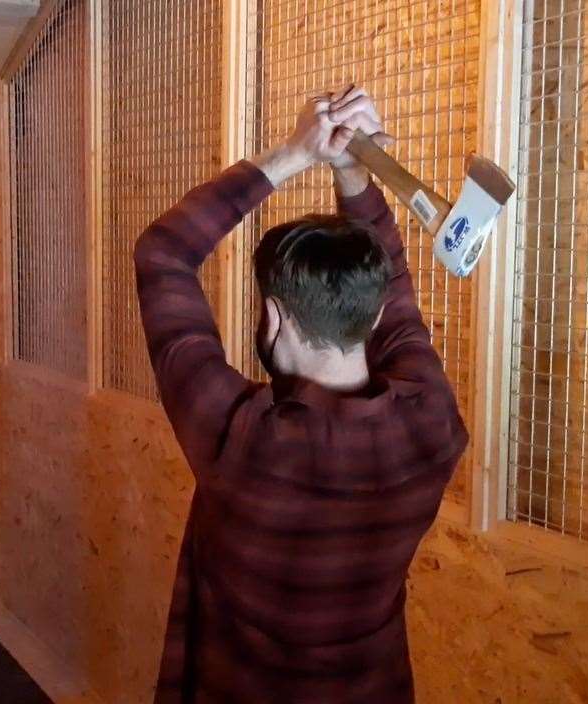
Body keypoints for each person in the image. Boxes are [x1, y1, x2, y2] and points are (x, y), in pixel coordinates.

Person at [133, 86, 469, 703]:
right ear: (369, 321)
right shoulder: (433, 423)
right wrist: (349, 167)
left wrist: (297, 153)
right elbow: (394, 295)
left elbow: (163, 253)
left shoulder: (242, 438)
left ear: (273, 318)